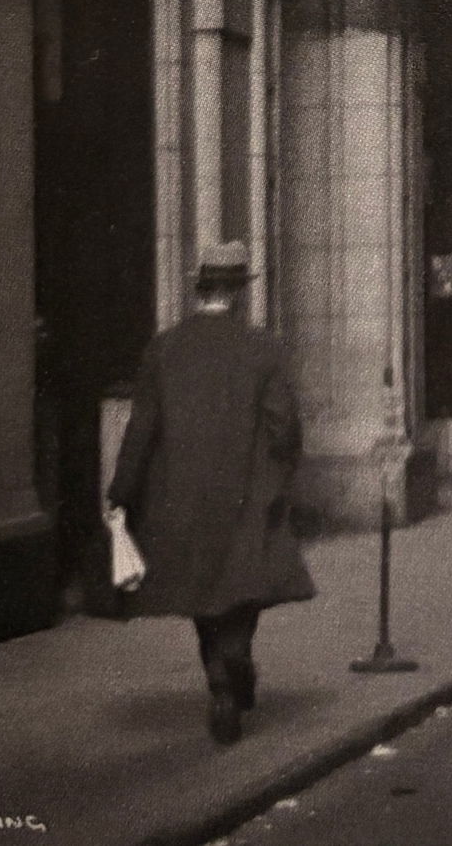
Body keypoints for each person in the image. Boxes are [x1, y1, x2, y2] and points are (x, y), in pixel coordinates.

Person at [107, 240, 314, 746]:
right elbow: (284, 427)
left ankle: (220, 680)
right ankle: (236, 655)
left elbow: (141, 429)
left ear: (199, 289)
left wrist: (121, 492)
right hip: (247, 493)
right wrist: (281, 474)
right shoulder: (263, 348)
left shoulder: (164, 349)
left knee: (204, 592)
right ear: (240, 292)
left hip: (181, 496)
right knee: (245, 583)